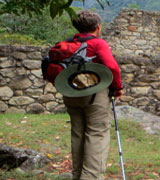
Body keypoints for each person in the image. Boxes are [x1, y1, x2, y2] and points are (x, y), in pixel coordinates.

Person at [45, 10, 123, 180]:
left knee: (78, 134)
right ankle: (91, 177)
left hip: (71, 92)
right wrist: (118, 88)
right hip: (95, 94)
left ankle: (77, 175)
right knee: (96, 134)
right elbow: (112, 67)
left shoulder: (67, 43)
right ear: (98, 27)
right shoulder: (98, 43)